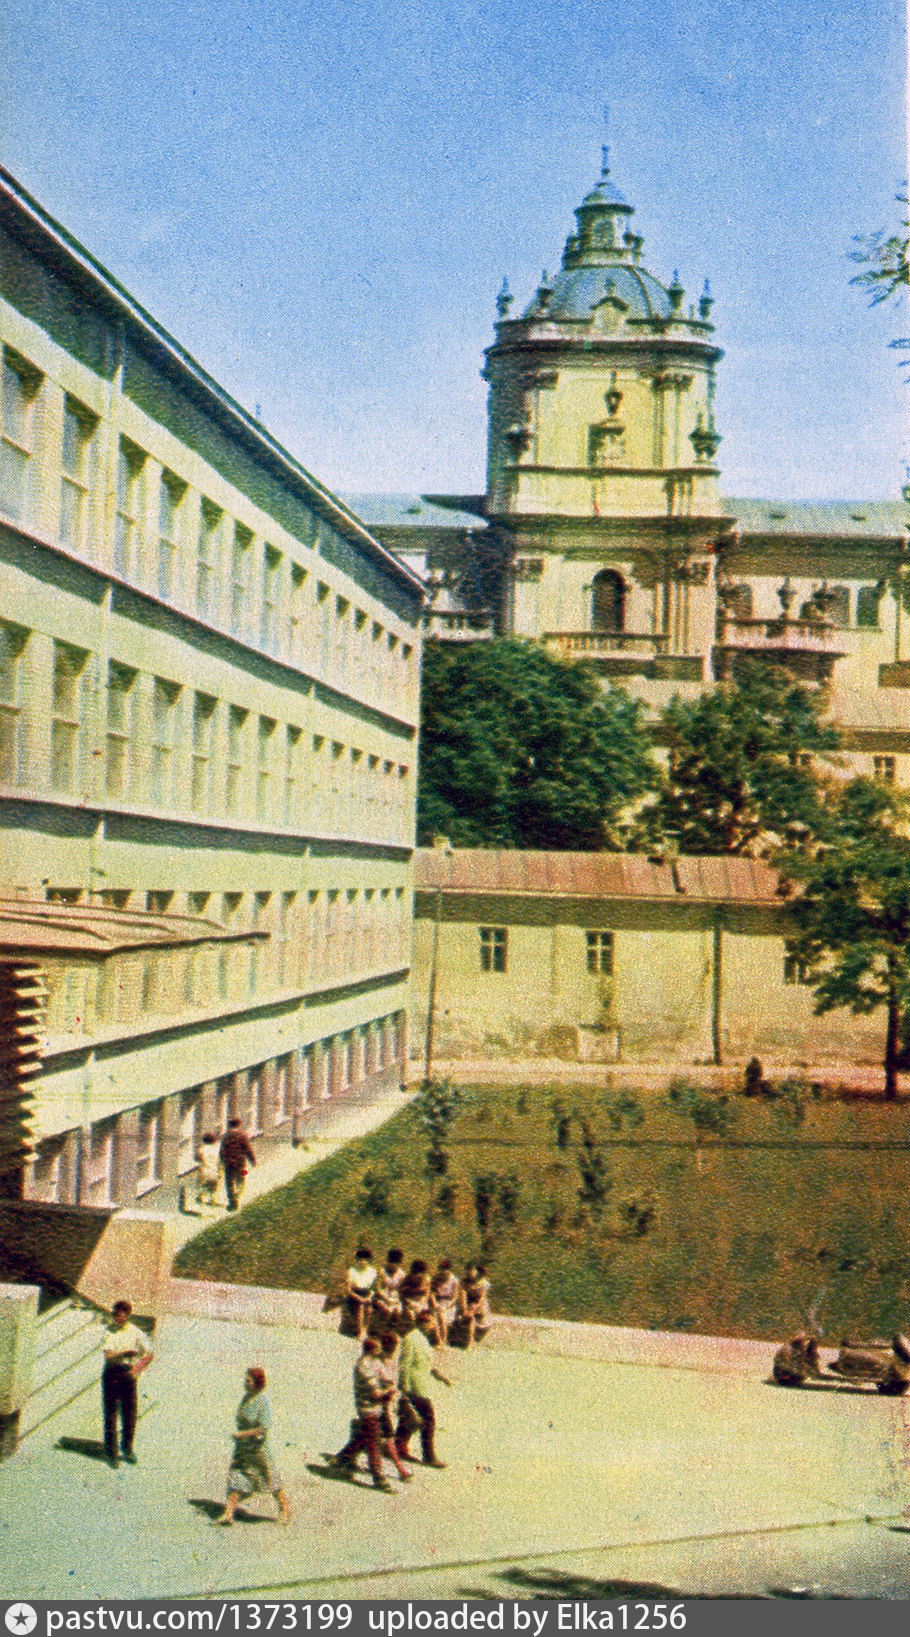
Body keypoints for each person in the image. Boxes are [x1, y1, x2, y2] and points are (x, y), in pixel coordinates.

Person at [217, 1367, 291, 1525]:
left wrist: (242, 1435)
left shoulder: (262, 1401)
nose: (245, 1383)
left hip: (258, 1450)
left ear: (257, 1383)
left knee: (271, 1481)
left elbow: (263, 1428)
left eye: (248, 1380)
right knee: (237, 1478)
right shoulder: (246, 1398)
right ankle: (228, 1513)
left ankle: (284, 1510)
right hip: (243, 1449)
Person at [330, 1336, 396, 1491]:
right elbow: (376, 1393)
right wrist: (388, 1392)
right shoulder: (364, 1366)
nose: (380, 1350)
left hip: (377, 1407)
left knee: (364, 1436)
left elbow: (387, 1379)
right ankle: (378, 1477)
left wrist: (387, 1386)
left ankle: (341, 1459)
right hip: (367, 1408)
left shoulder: (375, 1362)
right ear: (371, 1349)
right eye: (378, 1348)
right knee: (373, 1442)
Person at [395, 1310, 451, 1469]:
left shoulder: (422, 1338)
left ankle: (398, 1447)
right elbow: (404, 1365)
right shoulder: (411, 1338)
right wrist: (404, 1387)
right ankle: (428, 1456)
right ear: (424, 1322)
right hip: (414, 1386)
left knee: (409, 1418)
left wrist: (440, 1376)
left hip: (422, 1385)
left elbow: (427, 1363)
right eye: (432, 1323)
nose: (434, 1326)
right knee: (428, 1419)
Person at [101, 1299, 154, 1469]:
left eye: (121, 1316)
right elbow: (109, 1356)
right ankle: (112, 1453)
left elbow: (150, 1353)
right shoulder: (109, 1331)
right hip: (111, 1373)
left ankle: (127, 1449)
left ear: (127, 1316)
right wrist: (124, 1353)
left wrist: (137, 1369)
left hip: (128, 1375)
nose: (117, 1318)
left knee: (129, 1414)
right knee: (111, 1415)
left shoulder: (136, 1332)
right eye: (115, 1315)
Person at [219, 1118, 256, 1212]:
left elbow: (222, 1151)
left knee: (229, 1182)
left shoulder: (225, 1136)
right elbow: (248, 1149)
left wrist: (222, 1162)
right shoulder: (242, 1135)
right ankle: (238, 1196)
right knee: (242, 1179)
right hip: (241, 1164)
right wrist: (253, 1161)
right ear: (239, 1125)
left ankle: (232, 1200)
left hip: (229, 1163)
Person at [345, 1245, 377, 1341]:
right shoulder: (351, 1271)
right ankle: (359, 1332)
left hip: (367, 1294)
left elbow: (373, 1288)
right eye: (360, 1260)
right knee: (359, 1308)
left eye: (365, 1260)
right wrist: (359, 1298)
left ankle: (365, 1330)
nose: (363, 1262)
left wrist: (369, 1297)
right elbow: (348, 1290)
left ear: (369, 1260)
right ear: (357, 1260)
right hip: (354, 1295)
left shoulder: (373, 1272)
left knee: (368, 1309)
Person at [459, 1263, 492, 1348]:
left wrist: (473, 1309)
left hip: (478, 1304)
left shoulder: (483, 1283)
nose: (470, 1273)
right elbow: (462, 1295)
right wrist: (465, 1309)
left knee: (476, 1316)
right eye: (468, 1270)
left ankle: (471, 1340)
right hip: (468, 1302)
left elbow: (481, 1299)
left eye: (472, 1271)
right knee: (465, 1316)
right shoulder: (464, 1281)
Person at [429, 1258, 460, 1345]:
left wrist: (447, 1305)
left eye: (444, 1269)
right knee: (435, 1314)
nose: (442, 1271)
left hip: (448, 1303)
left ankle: (443, 1340)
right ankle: (437, 1339)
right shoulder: (435, 1278)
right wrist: (434, 1304)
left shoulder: (454, 1280)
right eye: (441, 1269)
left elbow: (454, 1297)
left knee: (441, 1315)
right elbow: (431, 1293)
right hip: (436, 1301)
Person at [373, 1247, 406, 1326]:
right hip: (382, 1296)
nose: (394, 1266)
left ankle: (392, 1328)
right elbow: (377, 1289)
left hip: (395, 1296)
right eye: (392, 1263)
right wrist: (386, 1299)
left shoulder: (401, 1274)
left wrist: (398, 1298)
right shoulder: (382, 1272)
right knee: (387, 1312)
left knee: (397, 1313)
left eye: (397, 1264)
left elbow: (401, 1289)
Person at [399, 1258, 432, 1327]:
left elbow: (426, 1294)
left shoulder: (427, 1279)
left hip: (421, 1303)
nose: (420, 1276)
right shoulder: (409, 1277)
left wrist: (421, 1302)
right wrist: (406, 1301)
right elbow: (401, 1291)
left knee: (426, 1319)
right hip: (409, 1302)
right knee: (410, 1317)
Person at [195, 1131, 221, 1208]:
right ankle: (212, 1199)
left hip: (204, 1170)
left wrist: (202, 1161)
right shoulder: (217, 1149)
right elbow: (220, 1160)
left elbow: (198, 1158)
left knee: (201, 1185)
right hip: (214, 1170)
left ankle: (200, 1197)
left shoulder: (202, 1149)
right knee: (214, 1185)